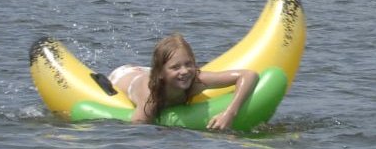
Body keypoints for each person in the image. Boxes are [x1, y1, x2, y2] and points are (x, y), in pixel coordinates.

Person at [103, 34, 260, 129]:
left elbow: (249, 75)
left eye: (188, 64)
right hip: (125, 75)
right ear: (161, 73)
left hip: (152, 72)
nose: (184, 71)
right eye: (176, 67)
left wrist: (229, 113)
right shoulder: (151, 98)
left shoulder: (196, 80)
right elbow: (138, 126)